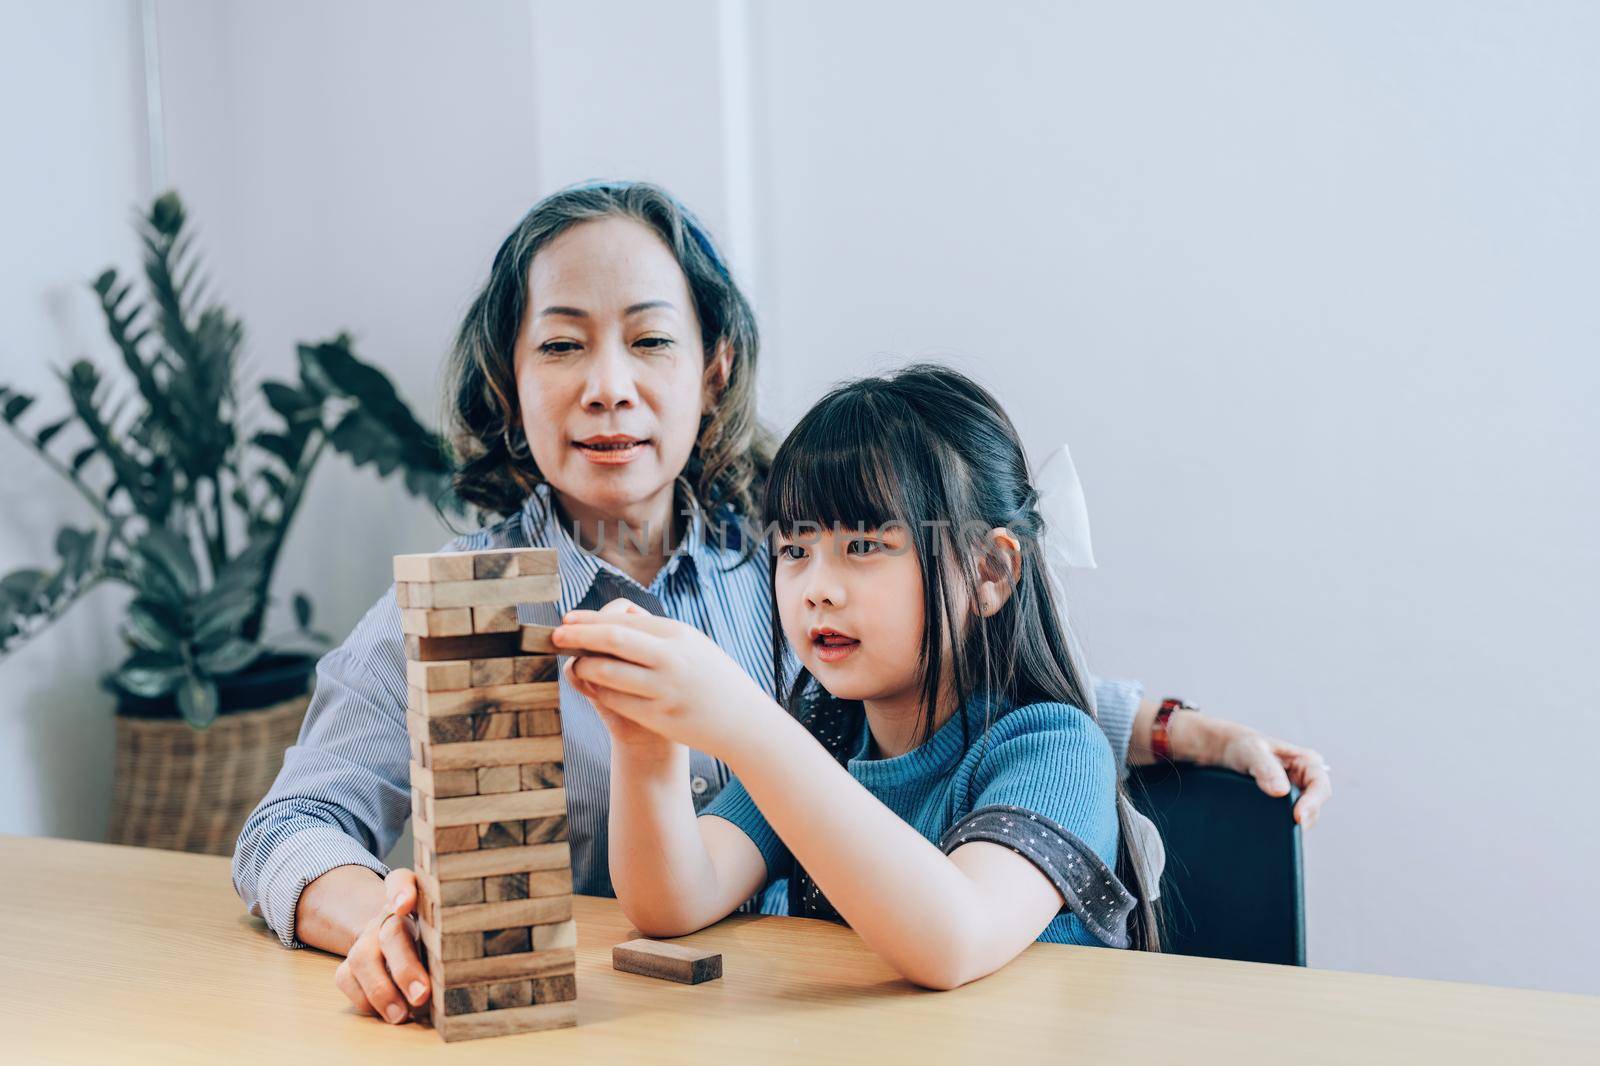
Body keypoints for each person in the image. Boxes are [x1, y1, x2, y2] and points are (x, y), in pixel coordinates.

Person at [232, 181, 1331, 1022]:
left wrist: (1178, 727)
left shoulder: (778, 578)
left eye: (651, 340)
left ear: (711, 371)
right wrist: (370, 913)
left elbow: (968, 681)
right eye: (561, 345)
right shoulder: (455, 611)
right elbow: (289, 827)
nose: (608, 383)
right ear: (509, 388)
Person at [558, 366, 1159, 989]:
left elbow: (955, 941)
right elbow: (674, 904)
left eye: (865, 546)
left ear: (990, 572)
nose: (816, 589)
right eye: (794, 550)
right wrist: (645, 744)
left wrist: (747, 725)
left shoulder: (1054, 750)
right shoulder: (823, 737)